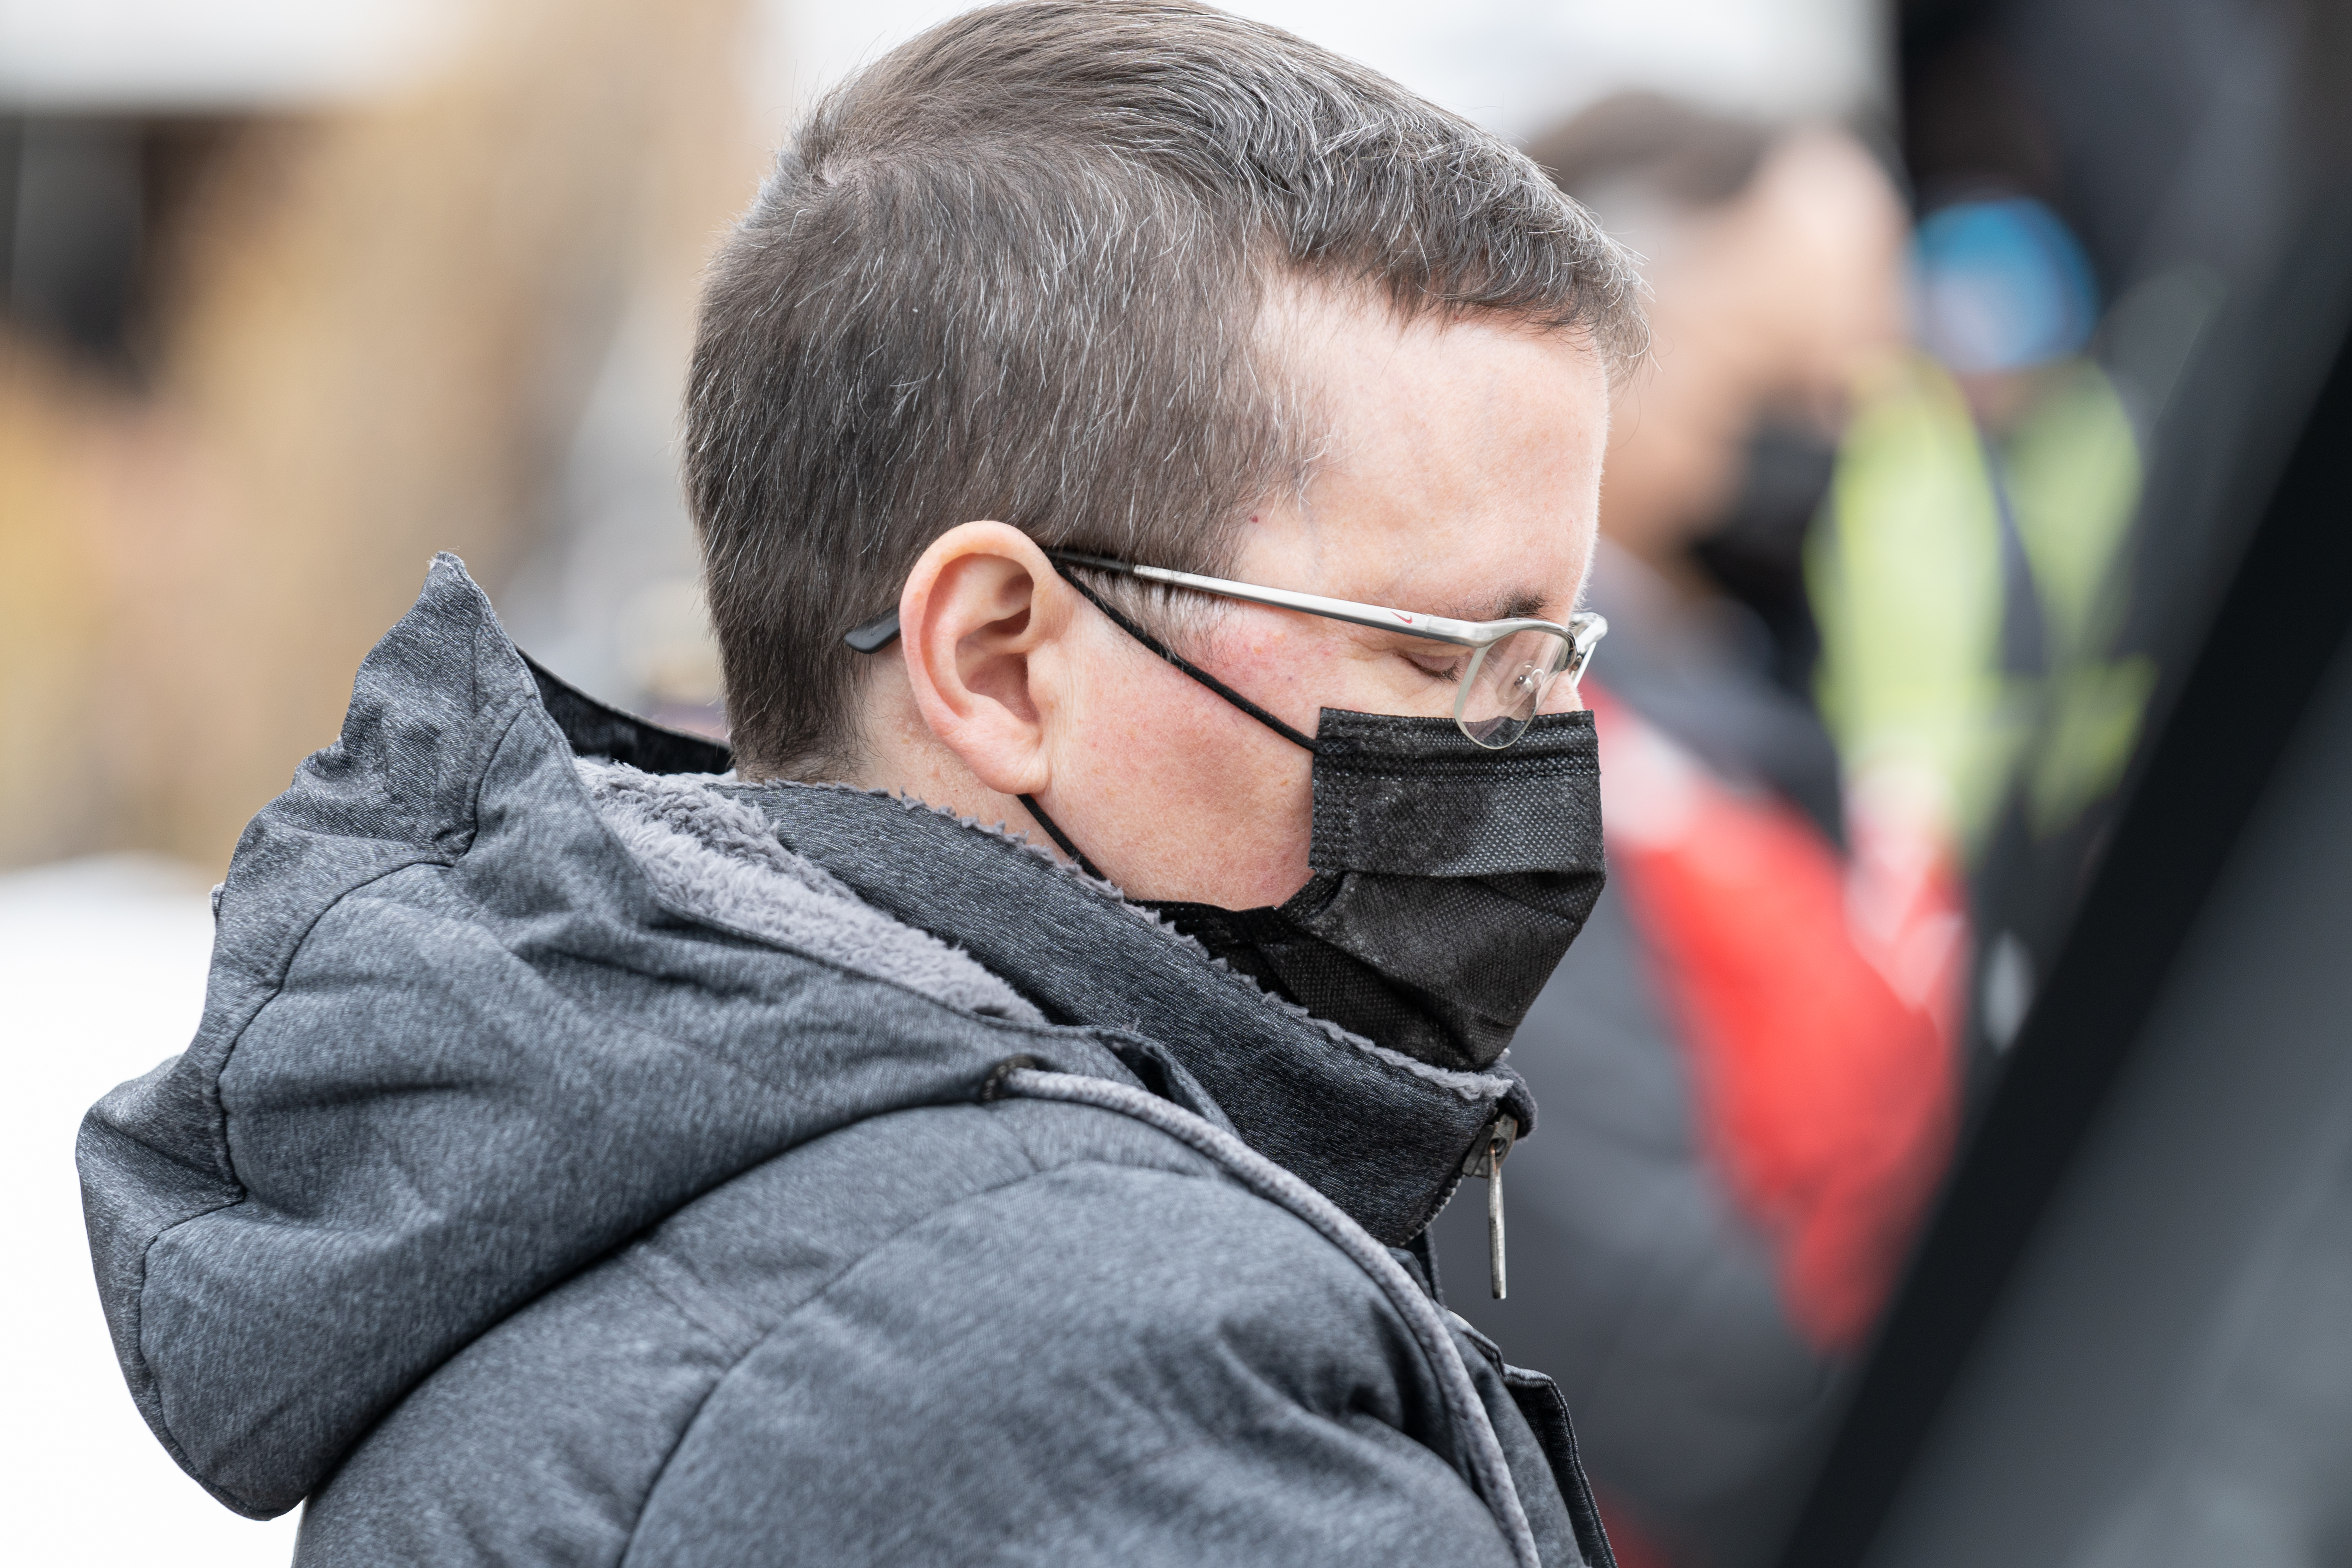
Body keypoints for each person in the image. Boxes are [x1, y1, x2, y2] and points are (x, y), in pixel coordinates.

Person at [76, 4, 1647, 1564]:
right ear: (1003, 661)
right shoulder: (1107, 1370)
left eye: (1555, 651)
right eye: (1456, 650)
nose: (1542, 734)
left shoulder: (642, 1136)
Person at [1426, 97, 1965, 1568]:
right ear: (1593, 363)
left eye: (1868, 368)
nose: (1841, 422)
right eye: (1782, 377)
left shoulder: (1750, 705)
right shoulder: (1505, 766)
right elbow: (1664, 1351)